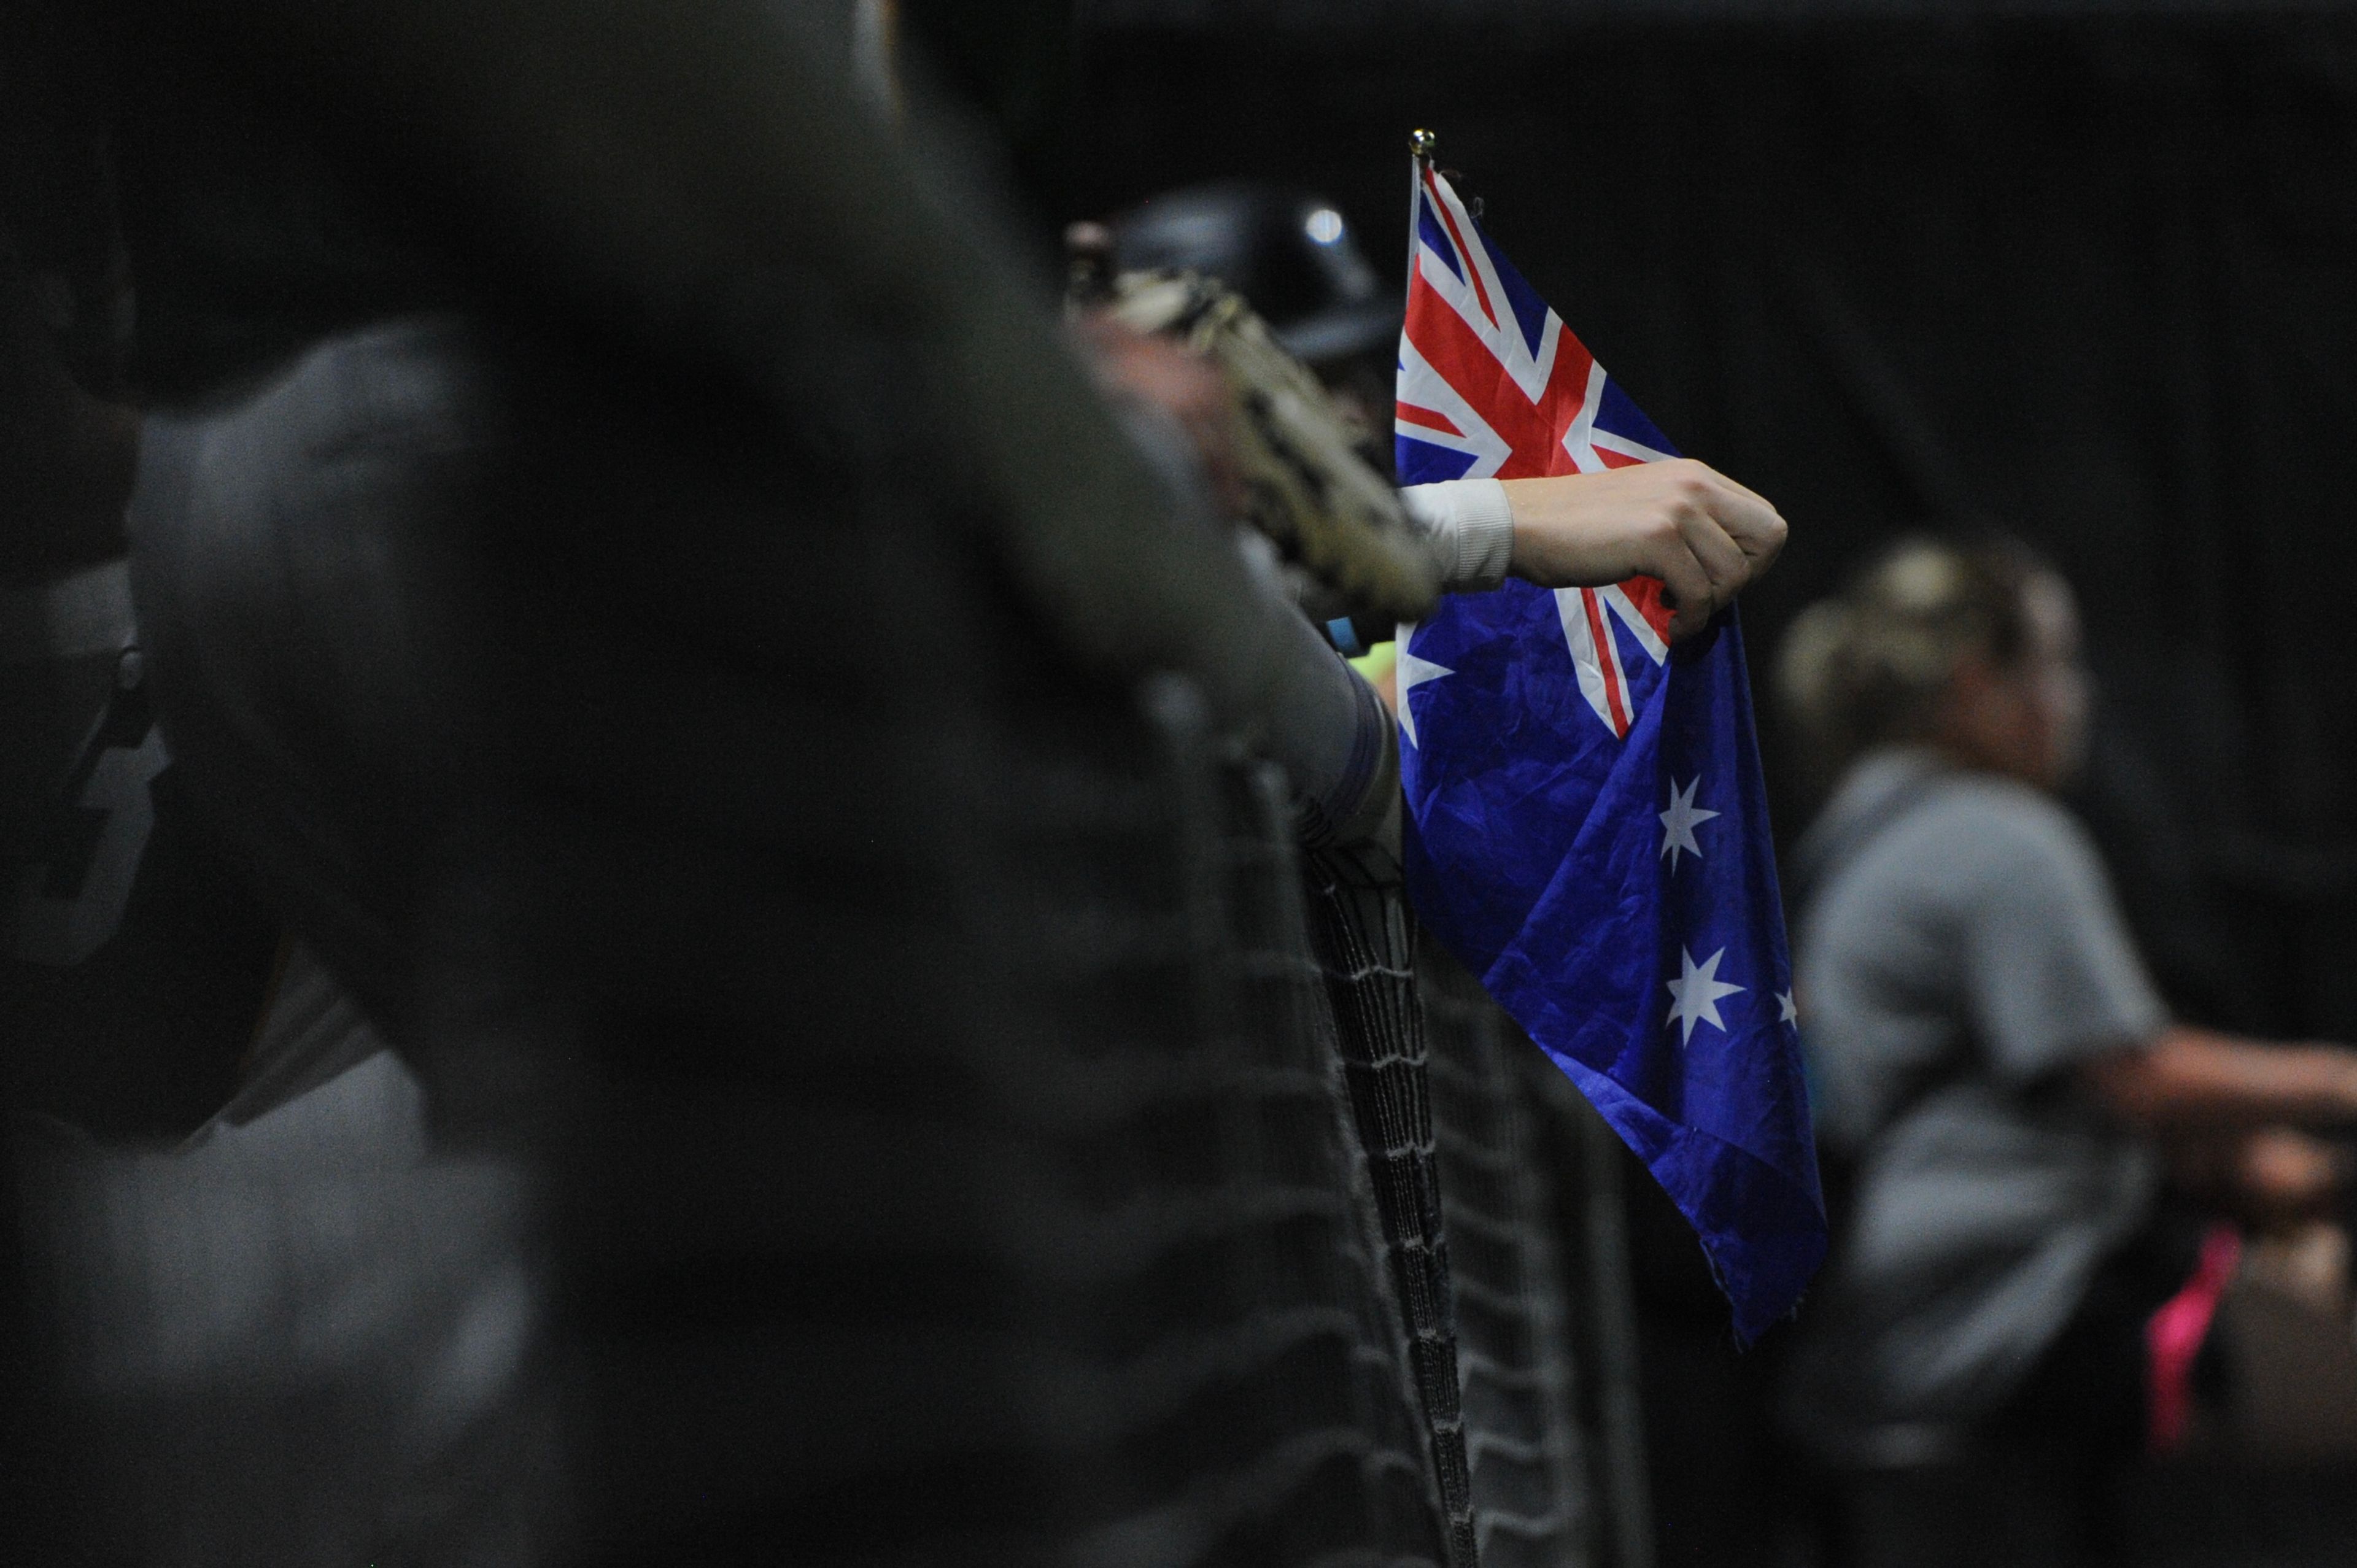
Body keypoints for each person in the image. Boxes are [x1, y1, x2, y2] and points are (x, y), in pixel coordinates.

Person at [1775, 538, 2357, 1567]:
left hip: (1886, 1326)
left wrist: (2255, 1160)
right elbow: (2136, 1078)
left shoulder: (1860, 838)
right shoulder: (1993, 834)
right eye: (2056, 663)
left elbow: (2032, 1084)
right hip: (1995, 1315)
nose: (2074, 697)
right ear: (1976, 686)